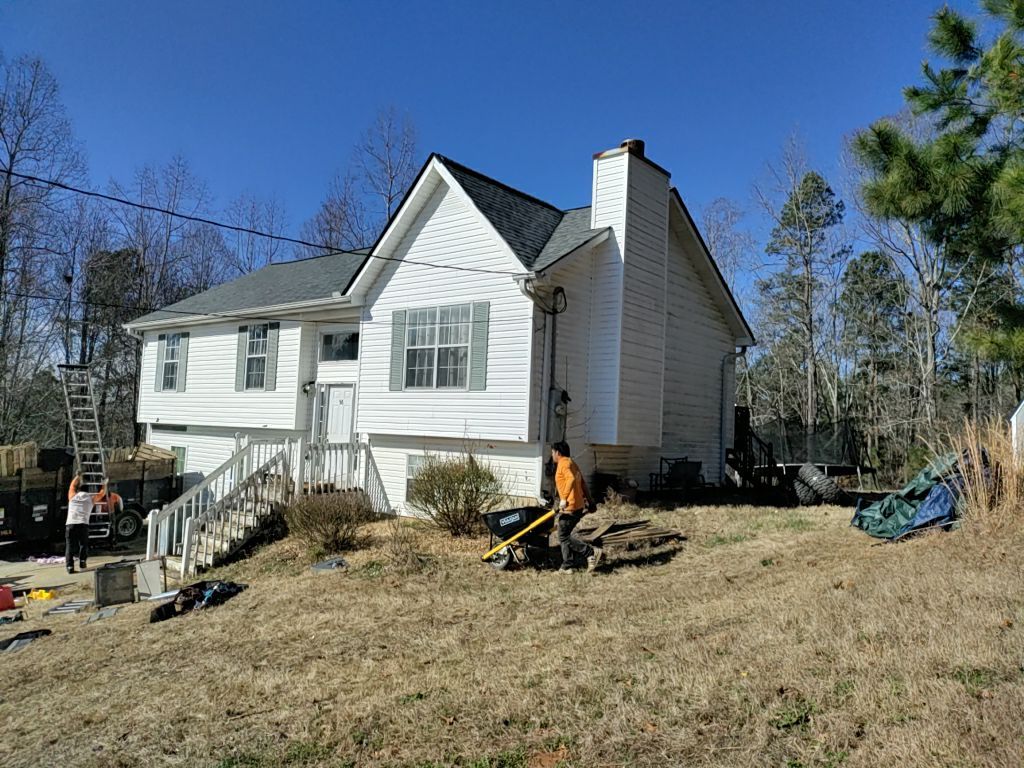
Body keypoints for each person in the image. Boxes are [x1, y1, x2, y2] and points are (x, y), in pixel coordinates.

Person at [551, 441, 603, 573]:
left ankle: (590, 552)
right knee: (564, 534)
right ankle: (567, 565)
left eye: (552, 452)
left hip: (571, 506)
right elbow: (583, 484)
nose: (552, 455)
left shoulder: (563, 463)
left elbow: (571, 479)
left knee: (563, 535)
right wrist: (590, 503)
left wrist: (563, 498)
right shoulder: (572, 463)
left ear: (558, 452)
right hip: (577, 505)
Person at [65, 474, 105, 574]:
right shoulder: (90, 499)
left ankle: (70, 567)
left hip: (71, 524)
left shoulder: (72, 497)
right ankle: (82, 563)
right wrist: (104, 484)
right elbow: (102, 493)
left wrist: (77, 476)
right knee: (83, 545)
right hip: (83, 525)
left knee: (69, 546)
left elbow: (72, 486)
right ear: (88, 491)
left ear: (78, 490)